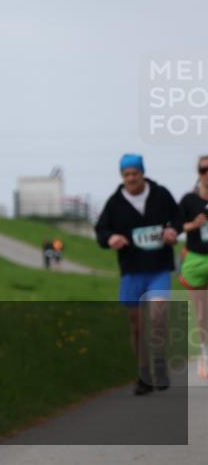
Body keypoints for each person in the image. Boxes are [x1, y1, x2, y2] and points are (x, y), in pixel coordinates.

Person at [94, 153, 180, 395]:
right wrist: (111, 238)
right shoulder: (115, 202)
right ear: (122, 176)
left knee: (158, 317)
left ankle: (160, 364)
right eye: (126, 174)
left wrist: (173, 230)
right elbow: (101, 230)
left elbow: (178, 216)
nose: (131, 178)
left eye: (135, 173)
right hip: (131, 270)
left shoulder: (160, 194)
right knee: (137, 325)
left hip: (159, 268)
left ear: (143, 173)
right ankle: (144, 374)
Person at [178, 154, 208, 381]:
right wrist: (193, 224)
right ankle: (205, 356)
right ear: (198, 173)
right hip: (196, 260)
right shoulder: (189, 200)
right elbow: (176, 228)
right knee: (202, 313)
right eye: (203, 169)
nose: (207, 173)